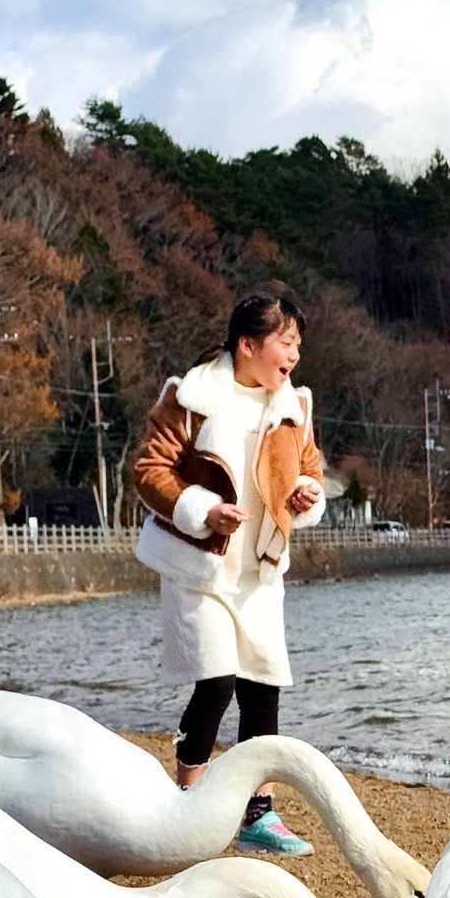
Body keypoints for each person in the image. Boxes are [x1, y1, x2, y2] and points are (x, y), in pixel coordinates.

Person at [133, 286, 326, 855]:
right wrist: (203, 510)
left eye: (297, 346)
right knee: (216, 682)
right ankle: (188, 802)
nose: (292, 357)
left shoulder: (295, 407)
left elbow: (311, 477)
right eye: (284, 344)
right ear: (247, 344)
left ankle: (257, 812)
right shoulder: (191, 395)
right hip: (198, 567)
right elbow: (150, 470)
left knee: (262, 689)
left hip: (259, 571)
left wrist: (303, 498)